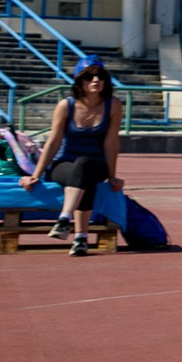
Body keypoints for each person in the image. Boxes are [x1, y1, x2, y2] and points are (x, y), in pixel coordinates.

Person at [31, 57, 123, 257]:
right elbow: (53, 142)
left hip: (95, 163)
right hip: (65, 163)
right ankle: (80, 238)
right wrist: (36, 173)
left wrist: (112, 175)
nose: (95, 80)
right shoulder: (66, 105)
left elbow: (111, 143)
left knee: (85, 166)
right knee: (82, 174)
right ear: (79, 81)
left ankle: (64, 220)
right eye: (89, 76)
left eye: (100, 76)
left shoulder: (113, 105)